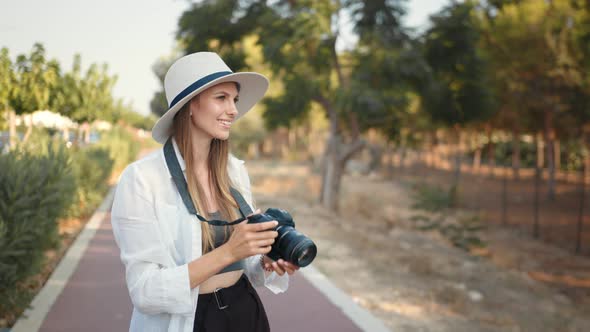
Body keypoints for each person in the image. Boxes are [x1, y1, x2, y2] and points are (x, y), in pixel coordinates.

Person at [111, 52, 299, 332]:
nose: (234, 110)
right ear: (190, 105)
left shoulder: (234, 171)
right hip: (187, 321)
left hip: (245, 311)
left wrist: (265, 260)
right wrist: (229, 251)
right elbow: (145, 291)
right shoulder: (142, 179)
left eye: (234, 100)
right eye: (221, 98)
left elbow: (246, 266)